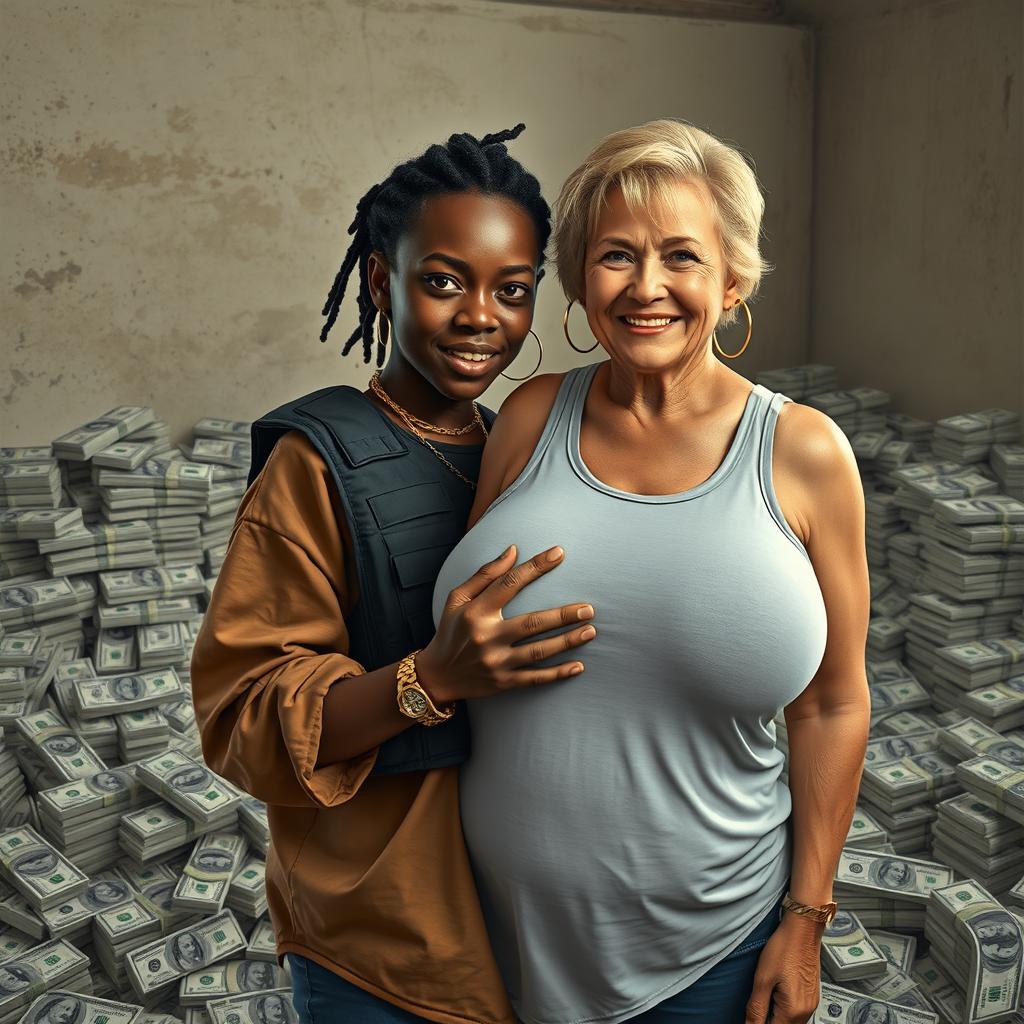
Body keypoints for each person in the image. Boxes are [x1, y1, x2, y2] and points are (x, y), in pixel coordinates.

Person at [428, 119, 871, 1024]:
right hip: (484, 941)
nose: (647, 287)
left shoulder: (803, 453)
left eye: (682, 256)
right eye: (617, 256)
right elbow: (454, 640)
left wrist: (808, 918)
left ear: (733, 279)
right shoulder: (529, 415)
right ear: (581, 280)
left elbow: (832, 703)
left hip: (711, 958)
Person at [192, 125, 596, 1024]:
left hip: (533, 935)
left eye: (514, 290)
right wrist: (431, 678)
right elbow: (241, 719)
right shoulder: (315, 462)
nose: (480, 315)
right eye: (444, 281)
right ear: (382, 280)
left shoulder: (523, 450)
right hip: (384, 945)